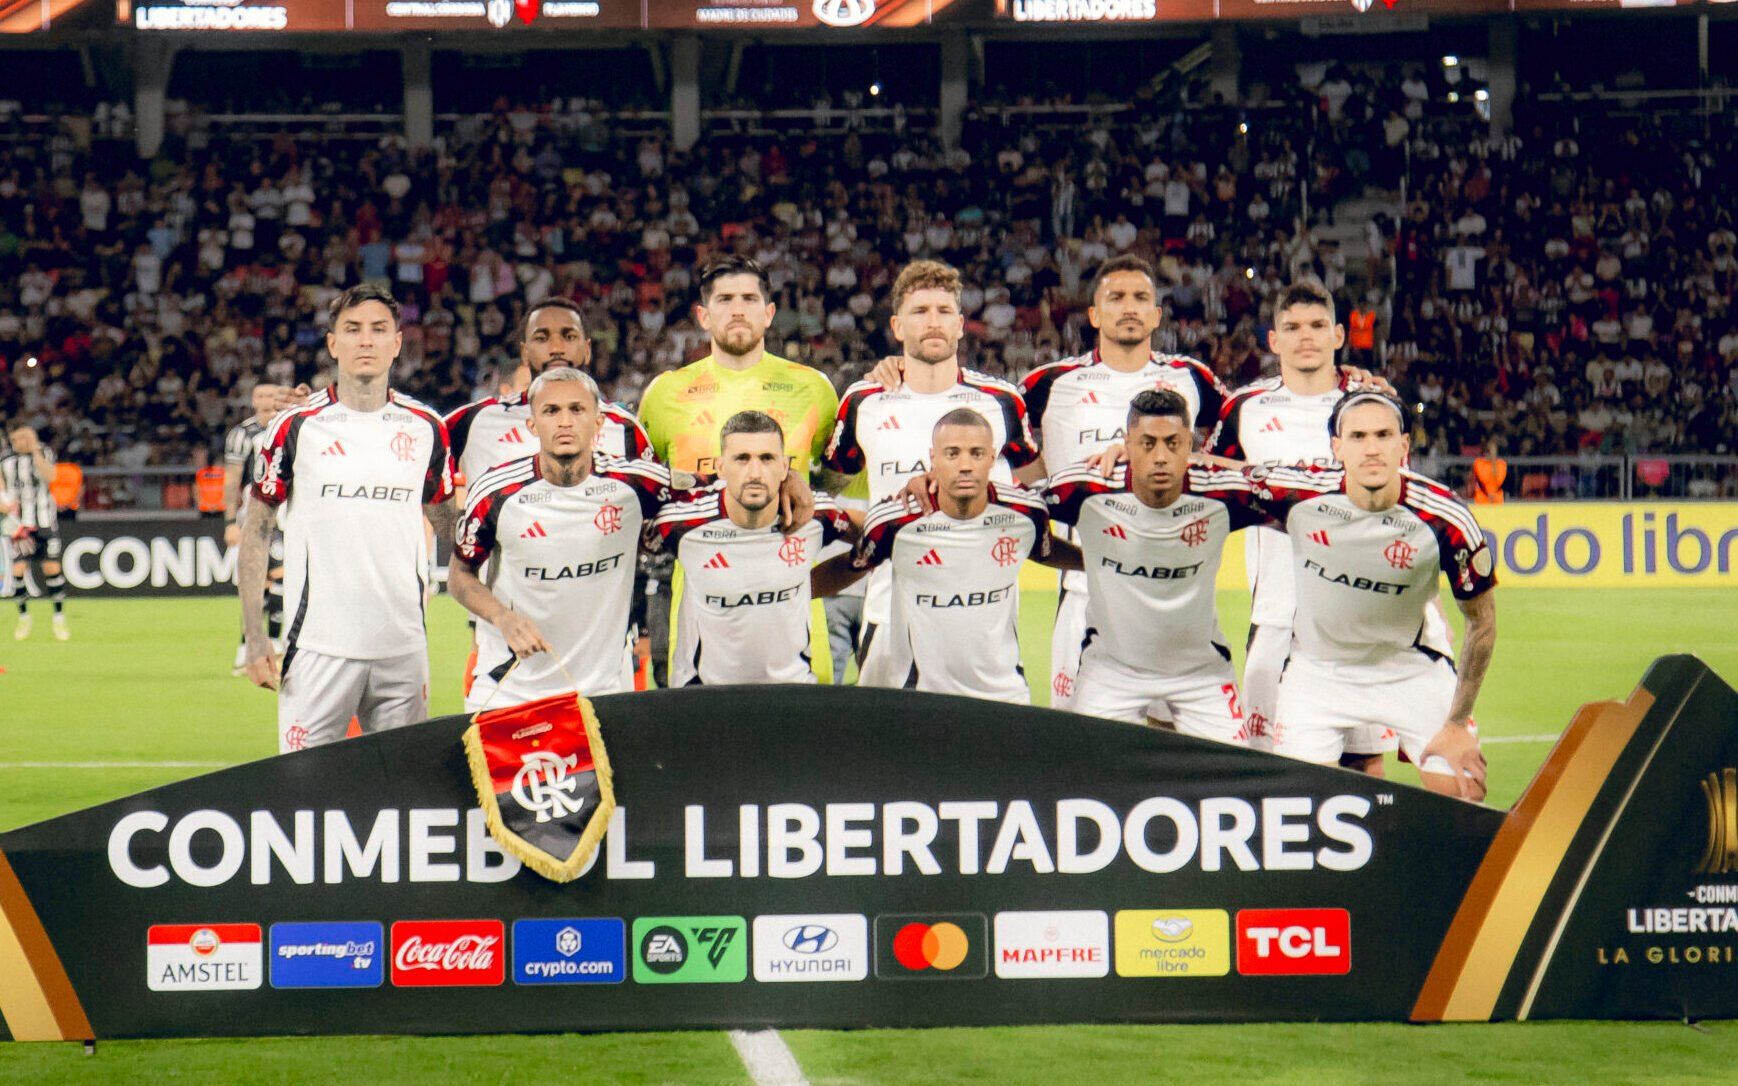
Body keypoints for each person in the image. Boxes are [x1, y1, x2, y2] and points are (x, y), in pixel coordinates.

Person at [240, 284, 457, 753]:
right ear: (333, 343)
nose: (366, 341)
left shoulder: (426, 428)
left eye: (379, 330)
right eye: (352, 330)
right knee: (304, 800)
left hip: (403, 649)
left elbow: (451, 528)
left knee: (404, 799)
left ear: (397, 343)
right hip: (318, 650)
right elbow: (255, 533)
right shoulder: (295, 426)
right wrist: (256, 639)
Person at [1255, 392, 1496, 800]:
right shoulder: (1298, 495)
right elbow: (1212, 476)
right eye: (1358, 436)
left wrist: (1457, 722)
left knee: (1464, 792)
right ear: (1337, 447)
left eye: (1383, 435)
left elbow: (1482, 622)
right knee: (1297, 806)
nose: (1371, 448)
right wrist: (1128, 461)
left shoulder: (1444, 518)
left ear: (1403, 445)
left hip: (1408, 668)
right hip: (1319, 670)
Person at [1207, 279, 1401, 768]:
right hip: (1277, 616)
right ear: (1274, 341)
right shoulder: (1245, 409)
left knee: (1366, 765)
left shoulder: (1371, 405)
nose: (1305, 337)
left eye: (1317, 325)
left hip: (1362, 615)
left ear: (1339, 336)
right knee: (1269, 769)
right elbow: (1203, 474)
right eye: (1291, 327)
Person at [1018, 255, 1228, 708]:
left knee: (1177, 746)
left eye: (1141, 298)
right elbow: (1003, 450)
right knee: (1085, 746)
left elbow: (1236, 456)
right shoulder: (1050, 383)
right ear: (1094, 314)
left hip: (1177, 591)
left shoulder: (1192, 378)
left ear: (1156, 314)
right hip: (1084, 590)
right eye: (1116, 297)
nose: (1129, 307)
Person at [824, 260, 1042, 676]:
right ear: (897, 326)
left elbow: (1029, 484)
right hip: (890, 607)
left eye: (944, 312)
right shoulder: (863, 401)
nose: (933, 322)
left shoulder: (1001, 400)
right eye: (919, 312)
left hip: (983, 608)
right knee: (887, 735)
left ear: (960, 325)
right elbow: (831, 481)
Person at [1045, 391, 1270, 742]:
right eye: (1147, 444)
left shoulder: (1223, 494)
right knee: (1088, 779)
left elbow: (1292, 493)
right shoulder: (1086, 488)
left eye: (1173, 443)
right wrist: (1086, 562)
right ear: (1127, 443)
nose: (1161, 457)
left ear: (1190, 445)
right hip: (1111, 669)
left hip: (1200, 671)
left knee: (1232, 783)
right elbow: (1020, 519)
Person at [816, 409, 1079, 704]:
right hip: (923, 696)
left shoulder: (1026, 513)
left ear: (992, 459)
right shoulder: (895, 522)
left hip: (1005, 694)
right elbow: (850, 565)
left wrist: (1092, 564)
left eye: (976, 454)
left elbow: (1045, 551)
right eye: (952, 454)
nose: (965, 465)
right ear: (933, 459)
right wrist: (793, 590)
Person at [449, 367, 671, 712]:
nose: (564, 421)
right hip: (510, 690)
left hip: (605, 690)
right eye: (551, 411)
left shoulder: (639, 484)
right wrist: (502, 618)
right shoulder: (497, 492)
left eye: (577, 410)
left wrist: (786, 479)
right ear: (533, 425)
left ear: (598, 423)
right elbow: (459, 576)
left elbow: (712, 492)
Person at [652, 411, 856, 686]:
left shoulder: (814, 516)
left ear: (785, 468)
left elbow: (878, 536)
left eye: (767, 458)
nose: (755, 473)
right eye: (742, 459)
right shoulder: (680, 523)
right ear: (721, 468)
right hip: (703, 697)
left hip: (792, 691)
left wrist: (823, 579)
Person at [444, 298, 652, 492]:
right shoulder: (477, 421)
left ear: (587, 350)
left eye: (568, 336)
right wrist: (454, 526)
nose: (556, 348)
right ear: (525, 353)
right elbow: (422, 473)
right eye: (542, 338)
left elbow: (647, 503)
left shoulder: (624, 427)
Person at [223, 383, 284, 674]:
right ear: (252, 400)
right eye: (260, 396)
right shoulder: (242, 434)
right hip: (255, 511)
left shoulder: (290, 428)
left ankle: (276, 641)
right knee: (256, 581)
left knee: (281, 576)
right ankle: (247, 646)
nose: (265, 401)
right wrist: (231, 522)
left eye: (270, 395)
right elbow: (232, 479)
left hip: (287, 511)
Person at [3, 424, 68, 641]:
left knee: (51, 568)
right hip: (19, 527)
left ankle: (58, 617)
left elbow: (51, 477)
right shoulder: (6, 462)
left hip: (44, 523)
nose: (17, 444)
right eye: (14, 441)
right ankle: (24, 617)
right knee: (18, 569)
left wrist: (35, 452)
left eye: (21, 440)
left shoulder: (44, 454)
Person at [1472, 437, 1507, 504]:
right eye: (1488, 450)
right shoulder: (1478, 463)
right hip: (1481, 499)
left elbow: (1498, 480)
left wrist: (1493, 460)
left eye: (1491, 451)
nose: (1488, 453)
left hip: (1497, 499)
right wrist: (1489, 494)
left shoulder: (1502, 464)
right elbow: (1483, 479)